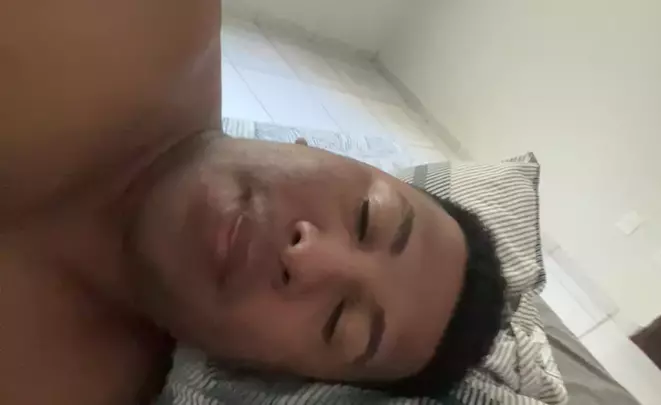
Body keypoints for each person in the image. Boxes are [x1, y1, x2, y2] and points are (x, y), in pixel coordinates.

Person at [0, 1, 505, 404]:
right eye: (367, 217)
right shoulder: (141, 19)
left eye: (339, 325)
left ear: (267, 372)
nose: (308, 257)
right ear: (316, 147)